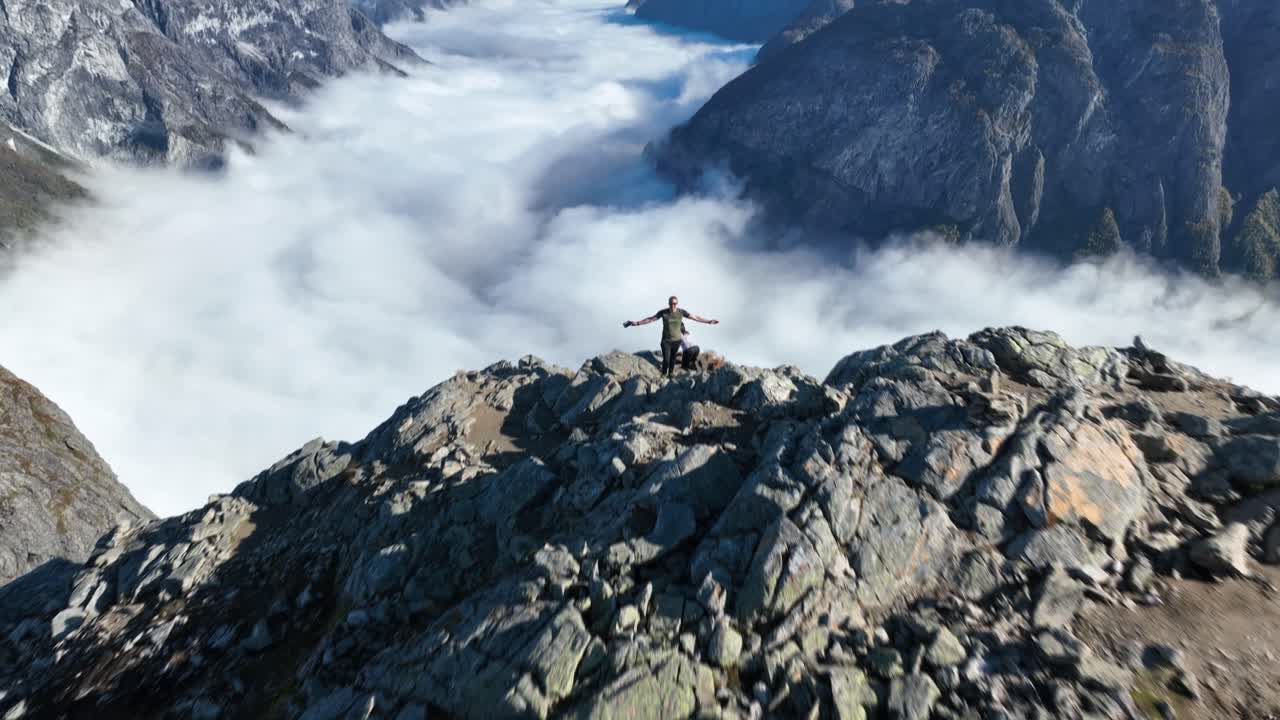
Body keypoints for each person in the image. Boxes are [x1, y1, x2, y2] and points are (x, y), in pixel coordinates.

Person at [622, 296, 719, 377]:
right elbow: (651, 319)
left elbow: (695, 317)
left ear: (677, 304)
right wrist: (636, 323)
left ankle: (671, 374)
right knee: (667, 360)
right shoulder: (663, 313)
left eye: (675, 303)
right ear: (668, 304)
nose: (673, 305)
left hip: (676, 341)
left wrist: (709, 321)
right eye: (671, 303)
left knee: (672, 359)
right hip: (666, 341)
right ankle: (663, 374)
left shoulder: (681, 312)